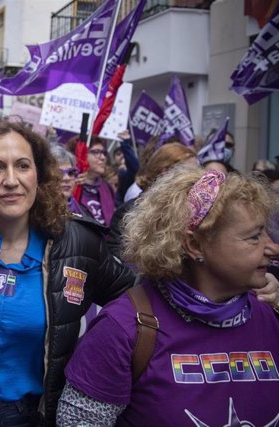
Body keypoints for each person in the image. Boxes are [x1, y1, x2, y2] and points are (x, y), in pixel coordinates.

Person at [0, 120, 136, 426]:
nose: (11, 180)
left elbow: (135, 304)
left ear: (38, 175)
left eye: (23, 166)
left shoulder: (78, 244)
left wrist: (96, 366)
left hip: (33, 416)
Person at [57, 167, 279, 426]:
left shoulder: (270, 313)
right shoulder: (124, 328)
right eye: (254, 237)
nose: (272, 247)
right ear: (195, 245)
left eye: (266, 233)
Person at [107, 143, 198, 260]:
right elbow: (120, 263)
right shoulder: (127, 213)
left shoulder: (196, 212)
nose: (198, 179)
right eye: (190, 172)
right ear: (166, 173)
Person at [75, 137, 116, 225]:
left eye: (104, 153)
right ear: (82, 154)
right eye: (96, 152)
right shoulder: (73, 188)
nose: (103, 157)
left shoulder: (106, 187)